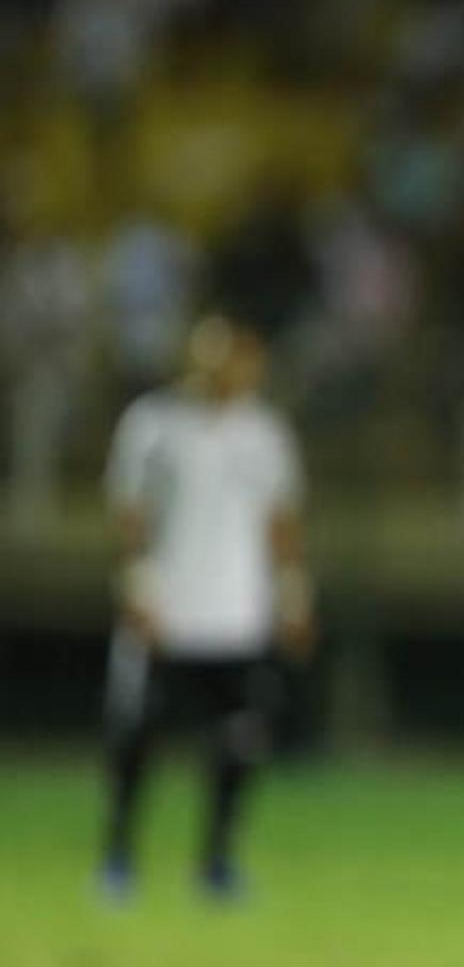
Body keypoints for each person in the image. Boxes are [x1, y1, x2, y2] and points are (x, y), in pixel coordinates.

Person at [99, 313, 311, 902]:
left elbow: (281, 522)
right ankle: (118, 857)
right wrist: (138, 588)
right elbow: (129, 515)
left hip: (237, 617)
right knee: (136, 738)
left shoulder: (265, 434)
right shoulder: (152, 425)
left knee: (238, 745)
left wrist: (293, 597)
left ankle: (216, 862)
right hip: (168, 613)